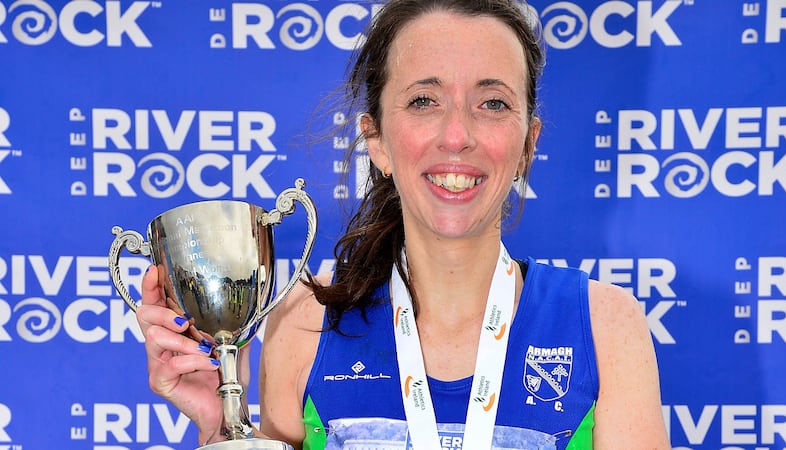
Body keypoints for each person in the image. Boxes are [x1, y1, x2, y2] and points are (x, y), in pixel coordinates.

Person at [135, 0, 671, 449]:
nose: (457, 134)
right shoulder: (305, 323)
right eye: (423, 101)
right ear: (378, 142)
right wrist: (219, 426)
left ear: (528, 144)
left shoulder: (604, 326)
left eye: (491, 102)